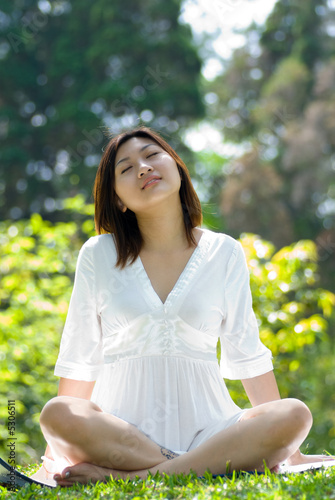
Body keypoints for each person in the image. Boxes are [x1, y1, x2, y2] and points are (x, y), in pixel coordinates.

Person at [38, 126, 331, 487]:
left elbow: (246, 351)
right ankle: (200, 466)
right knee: (56, 413)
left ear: (176, 166)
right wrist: (54, 454)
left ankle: (127, 477)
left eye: (151, 155)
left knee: (294, 414)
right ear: (117, 199)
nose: (143, 168)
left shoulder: (224, 251)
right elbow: (80, 356)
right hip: (117, 432)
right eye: (126, 169)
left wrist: (292, 450)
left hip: (211, 430)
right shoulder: (99, 254)